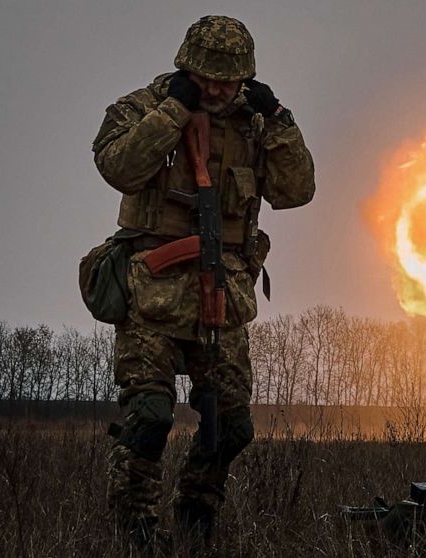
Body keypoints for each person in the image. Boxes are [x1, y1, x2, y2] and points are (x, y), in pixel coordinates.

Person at [91, 15, 315, 551]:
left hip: (224, 296)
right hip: (153, 297)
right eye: (207, 78)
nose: (217, 89)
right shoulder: (144, 107)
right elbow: (118, 166)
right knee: (148, 418)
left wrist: (280, 120)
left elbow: (296, 190)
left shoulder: (257, 123)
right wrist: (174, 110)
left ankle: (196, 512)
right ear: (186, 68)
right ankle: (136, 529)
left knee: (233, 426)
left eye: (229, 80)